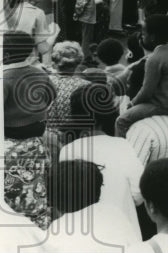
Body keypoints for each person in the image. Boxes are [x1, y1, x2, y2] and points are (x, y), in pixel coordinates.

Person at [60, 85, 145, 240]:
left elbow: (66, 199)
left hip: (83, 237)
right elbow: (139, 193)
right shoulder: (122, 146)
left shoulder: (68, 151)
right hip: (123, 234)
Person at [2, 31, 58, 230]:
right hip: (36, 132)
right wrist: (38, 108)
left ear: (6, 55)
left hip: (12, 135)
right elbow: (53, 93)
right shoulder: (39, 72)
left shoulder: (4, 78)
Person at [115, 14, 168, 138]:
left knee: (121, 120)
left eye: (144, 34)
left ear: (152, 37)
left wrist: (132, 104)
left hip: (166, 105)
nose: (142, 36)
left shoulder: (154, 59)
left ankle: (124, 149)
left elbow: (146, 92)